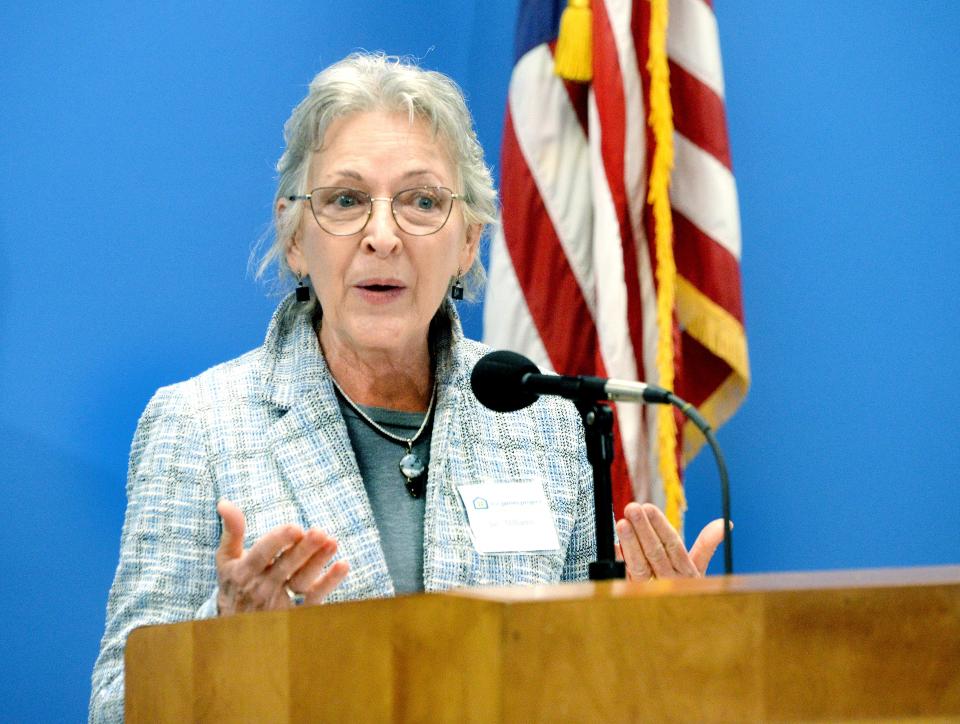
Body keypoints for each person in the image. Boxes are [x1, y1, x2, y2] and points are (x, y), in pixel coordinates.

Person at [90, 52, 725, 722]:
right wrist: (217, 639)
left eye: (422, 201)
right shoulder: (197, 423)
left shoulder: (541, 421)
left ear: (470, 242)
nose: (383, 236)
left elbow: (579, 688)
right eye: (345, 200)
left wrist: (657, 643)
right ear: (296, 235)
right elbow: (114, 707)